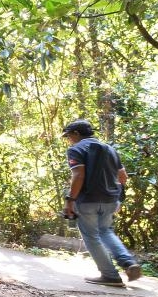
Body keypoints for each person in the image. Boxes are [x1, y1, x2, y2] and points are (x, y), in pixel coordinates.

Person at [61, 119, 142, 286]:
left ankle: (110, 275)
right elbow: (123, 177)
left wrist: (70, 200)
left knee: (91, 236)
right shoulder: (109, 149)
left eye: (68, 136)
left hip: (88, 200)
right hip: (110, 200)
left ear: (76, 134)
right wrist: (117, 196)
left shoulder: (76, 149)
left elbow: (78, 175)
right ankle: (128, 262)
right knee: (106, 231)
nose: (68, 140)